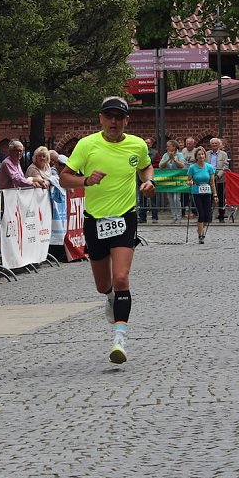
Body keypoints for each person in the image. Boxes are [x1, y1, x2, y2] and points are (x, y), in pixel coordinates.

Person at [59, 96, 154, 365]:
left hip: (125, 217)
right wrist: (86, 180)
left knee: (122, 277)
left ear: (127, 120)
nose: (114, 121)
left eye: (119, 117)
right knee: (104, 286)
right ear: (100, 118)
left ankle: (119, 340)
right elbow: (65, 178)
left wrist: (148, 181)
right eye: (109, 116)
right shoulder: (87, 145)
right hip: (95, 221)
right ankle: (110, 297)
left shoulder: (136, 145)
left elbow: (145, 166)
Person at [186, 146, 217, 243]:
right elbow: (189, 180)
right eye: (199, 154)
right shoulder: (192, 168)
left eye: (202, 154)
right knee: (201, 214)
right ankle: (201, 235)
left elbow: (212, 182)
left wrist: (215, 194)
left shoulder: (209, 167)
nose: (201, 156)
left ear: (205, 155)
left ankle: (199, 229)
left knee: (208, 216)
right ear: (196, 156)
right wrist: (190, 183)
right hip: (196, 192)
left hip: (207, 191)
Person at [159, 140, 186, 223]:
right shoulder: (165, 155)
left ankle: (179, 217)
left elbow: (182, 166)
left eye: (168, 146)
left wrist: (174, 159)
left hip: (178, 180)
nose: (167, 147)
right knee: (170, 199)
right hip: (169, 180)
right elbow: (160, 166)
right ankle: (174, 217)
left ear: (173, 147)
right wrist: (168, 160)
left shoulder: (180, 155)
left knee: (176, 199)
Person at [208, 138, 229, 222]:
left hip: (220, 179)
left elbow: (225, 166)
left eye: (216, 143)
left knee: (220, 197)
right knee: (209, 198)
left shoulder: (223, 154)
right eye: (212, 143)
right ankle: (209, 216)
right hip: (209, 179)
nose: (214, 145)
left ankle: (221, 215)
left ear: (218, 144)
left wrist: (218, 175)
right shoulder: (207, 154)